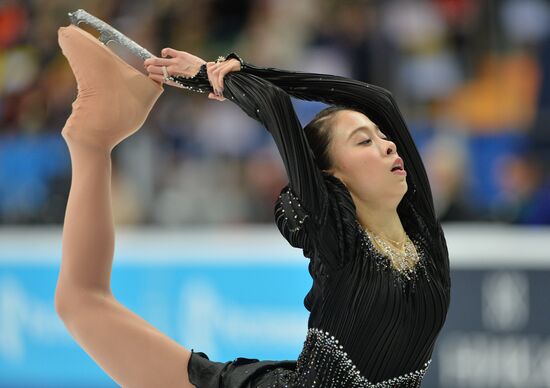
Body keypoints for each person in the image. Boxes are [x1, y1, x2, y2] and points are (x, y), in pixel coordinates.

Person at [54, 21, 450, 388]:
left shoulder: (424, 238)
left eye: (382, 138)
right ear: (332, 177)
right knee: (81, 302)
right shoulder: (338, 239)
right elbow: (275, 106)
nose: (389, 144)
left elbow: (378, 99)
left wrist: (224, 73)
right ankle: (92, 140)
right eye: (364, 141)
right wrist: (218, 76)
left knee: (83, 304)